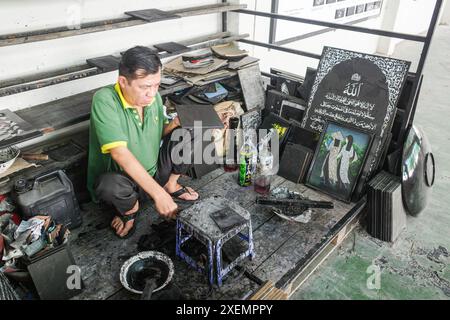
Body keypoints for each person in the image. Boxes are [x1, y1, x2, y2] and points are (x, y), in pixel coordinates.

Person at [87, 46, 198, 238]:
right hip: (125, 184)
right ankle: (130, 210)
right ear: (123, 81)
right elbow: (119, 153)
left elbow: (156, 133)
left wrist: (174, 125)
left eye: (156, 85)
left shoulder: (153, 99)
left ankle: (171, 185)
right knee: (107, 184)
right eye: (145, 87)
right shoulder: (105, 100)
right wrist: (158, 195)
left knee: (187, 132)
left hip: (156, 172)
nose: (152, 93)